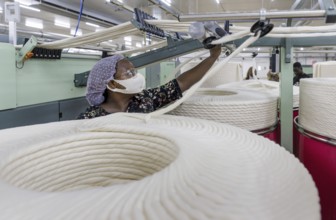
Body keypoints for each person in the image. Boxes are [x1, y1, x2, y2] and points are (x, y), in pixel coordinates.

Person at [77, 45, 222, 119]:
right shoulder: (90, 118)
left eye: (135, 71)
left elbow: (182, 83)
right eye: (129, 73)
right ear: (112, 84)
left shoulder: (146, 99)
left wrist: (212, 57)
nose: (136, 76)